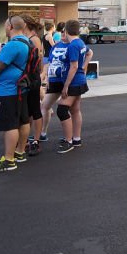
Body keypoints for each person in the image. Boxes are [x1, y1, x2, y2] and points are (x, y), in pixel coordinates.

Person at [0, 16, 34, 173]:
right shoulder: (27, 42)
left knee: (10, 124)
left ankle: (9, 159)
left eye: (5, 25)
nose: (5, 28)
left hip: (8, 90)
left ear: (10, 26)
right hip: (20, 88)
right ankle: (20, 152)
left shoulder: (13, 45)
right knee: (23, 120)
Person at [50, 20, 91, 153]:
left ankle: (69, 141)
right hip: (79, 80)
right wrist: (83, 67)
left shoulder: (73, 45)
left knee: (62, 110)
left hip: (74, 82)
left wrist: (65, 86)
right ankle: (76, 138)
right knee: (74, 110)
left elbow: (73, 66)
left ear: (66, 31)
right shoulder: (80, 42)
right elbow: (88, 55)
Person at [21, 14, 47, 156]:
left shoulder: (34, 40)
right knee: (27, 111)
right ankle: (25, 140)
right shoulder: (28, 39)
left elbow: (36, 60)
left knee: (35, 110)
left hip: (32, 78)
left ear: (25, 25)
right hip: (28, 78)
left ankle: (36, 141)